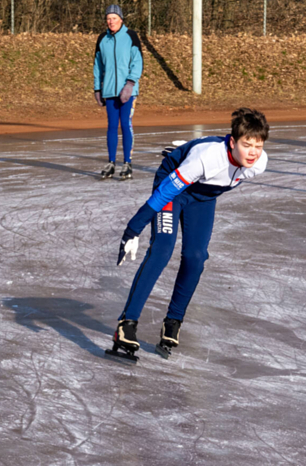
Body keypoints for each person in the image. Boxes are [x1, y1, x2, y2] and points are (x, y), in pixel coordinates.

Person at [109, 108, 269, 358]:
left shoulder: (257, 164)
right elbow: (165, 193)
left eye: (258, 146)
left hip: (204, 196)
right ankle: (126, 325)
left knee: (196, 257)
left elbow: (220, 175)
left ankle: (173, 321)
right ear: (232, 142)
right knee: (162, 249)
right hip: (173, 189)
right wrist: (133, 229)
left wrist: (191, 147)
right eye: (247, 144)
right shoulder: (208, 159)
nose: (253, 152)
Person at [93, 4, 143, 180]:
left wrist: (130, 84)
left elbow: (137, 62)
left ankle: (127, 163)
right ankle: (111, 162)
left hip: (127, 91)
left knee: (125, 124)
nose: (110, 21)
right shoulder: (102, 39)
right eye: (108, 18)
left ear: (121, 19)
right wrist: (97, 88)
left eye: (114, 18)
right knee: (112, 126)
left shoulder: (131, 36)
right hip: (109, 90)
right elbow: (98, 66)